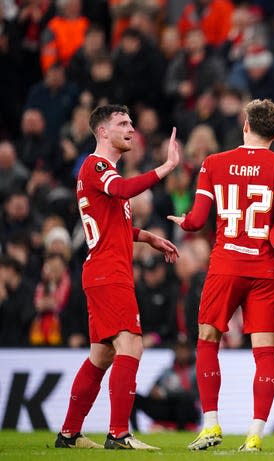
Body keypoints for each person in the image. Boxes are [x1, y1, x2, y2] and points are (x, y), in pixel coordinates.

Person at [167, 99, 274, 452]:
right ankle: (255, 434)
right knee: (265, 351)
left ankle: (211, 424)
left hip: (225, 266)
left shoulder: (213, 163)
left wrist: (184, 221)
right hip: (263, 270)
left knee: (207, 339)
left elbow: (197, 220)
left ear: (245, 125)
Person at [55, 104, 180, 450]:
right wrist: (167, 166)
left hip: (101, 271)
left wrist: (148, 237)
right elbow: (124, 191)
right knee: (131, 345)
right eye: (122, 123)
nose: (131, 129)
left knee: (101, 356)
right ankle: (119, 433)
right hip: (110, 273)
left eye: (131, 122)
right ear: (102, 132)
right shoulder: (98, 166)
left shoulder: (101, 174)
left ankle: (68, 434)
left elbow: (113, 225)